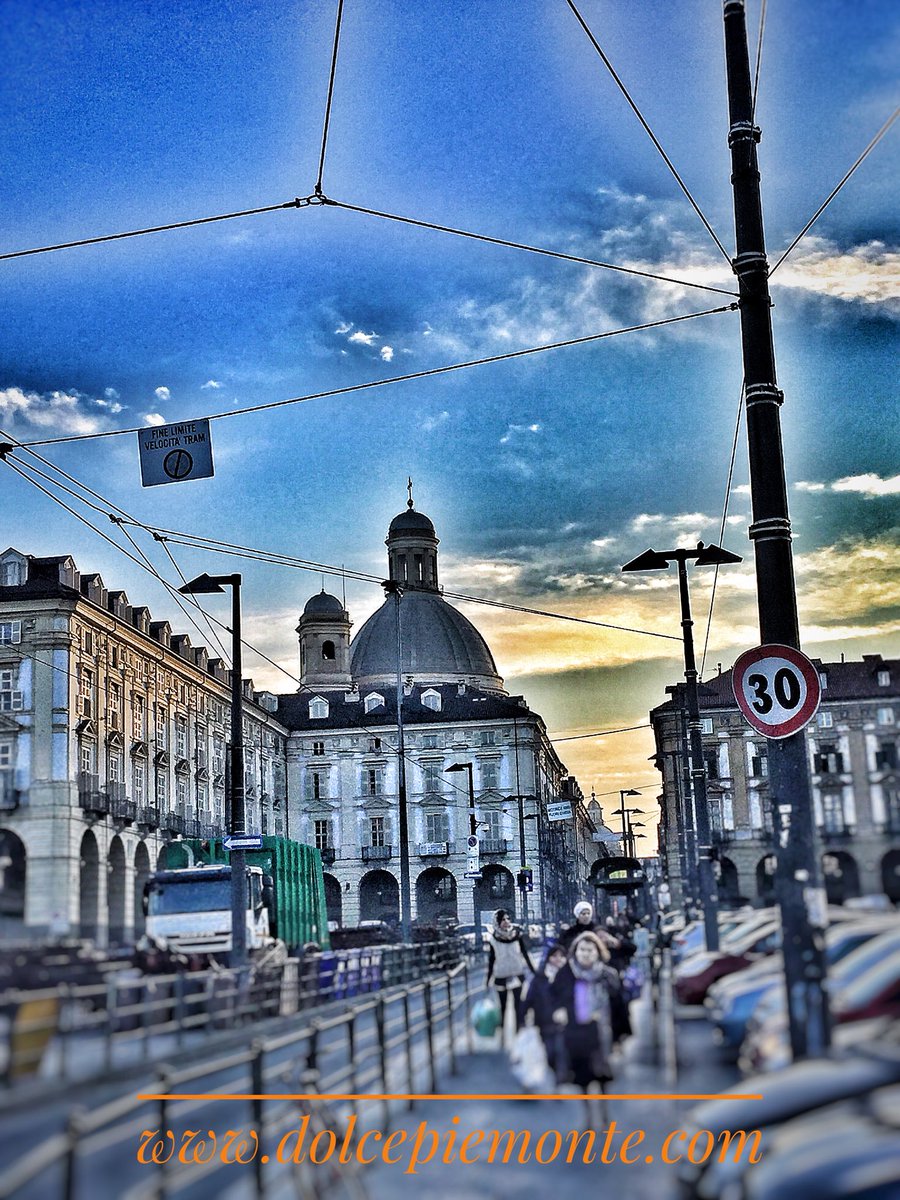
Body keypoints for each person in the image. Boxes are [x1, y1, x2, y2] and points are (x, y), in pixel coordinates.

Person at [550, 931, 618, 1093]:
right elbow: (553, 995)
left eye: (590, 950)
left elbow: (618, 1002)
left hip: (600, 1030)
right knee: (582, 1076)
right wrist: (559, 1010)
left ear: (598, 952)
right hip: (575, 1029)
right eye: (582, 950)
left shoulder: (607, 974)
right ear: (575, 951)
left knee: (601, 1074)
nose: (586, 954)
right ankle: (587, 1111)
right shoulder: (566, 973)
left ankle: (603, 1110)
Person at [520, 942, 568, 1078]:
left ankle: (560, 1080)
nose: (558, 959)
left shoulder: (570, 975)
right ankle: (554, 1076)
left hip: (566, 1023)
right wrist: (522, 1019)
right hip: (544, 1022)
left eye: (561, 956)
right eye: (555, 956)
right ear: (548, 958)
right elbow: (528, 999)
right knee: (550, 1053)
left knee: (562, 1053)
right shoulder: (539, 978)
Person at [485, 909, 534, 1039]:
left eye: (507, 919)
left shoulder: (517, 935)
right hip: (501, 976)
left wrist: (534, 970)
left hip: (517, 974)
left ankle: (518, 1033)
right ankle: (503, 1035)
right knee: (503, 1006)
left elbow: (525, 953)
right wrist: (488, 978)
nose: (506, 922)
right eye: (502, 920)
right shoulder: (493, 940)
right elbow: (491, 960)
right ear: (497, 922)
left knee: (518, 1004)